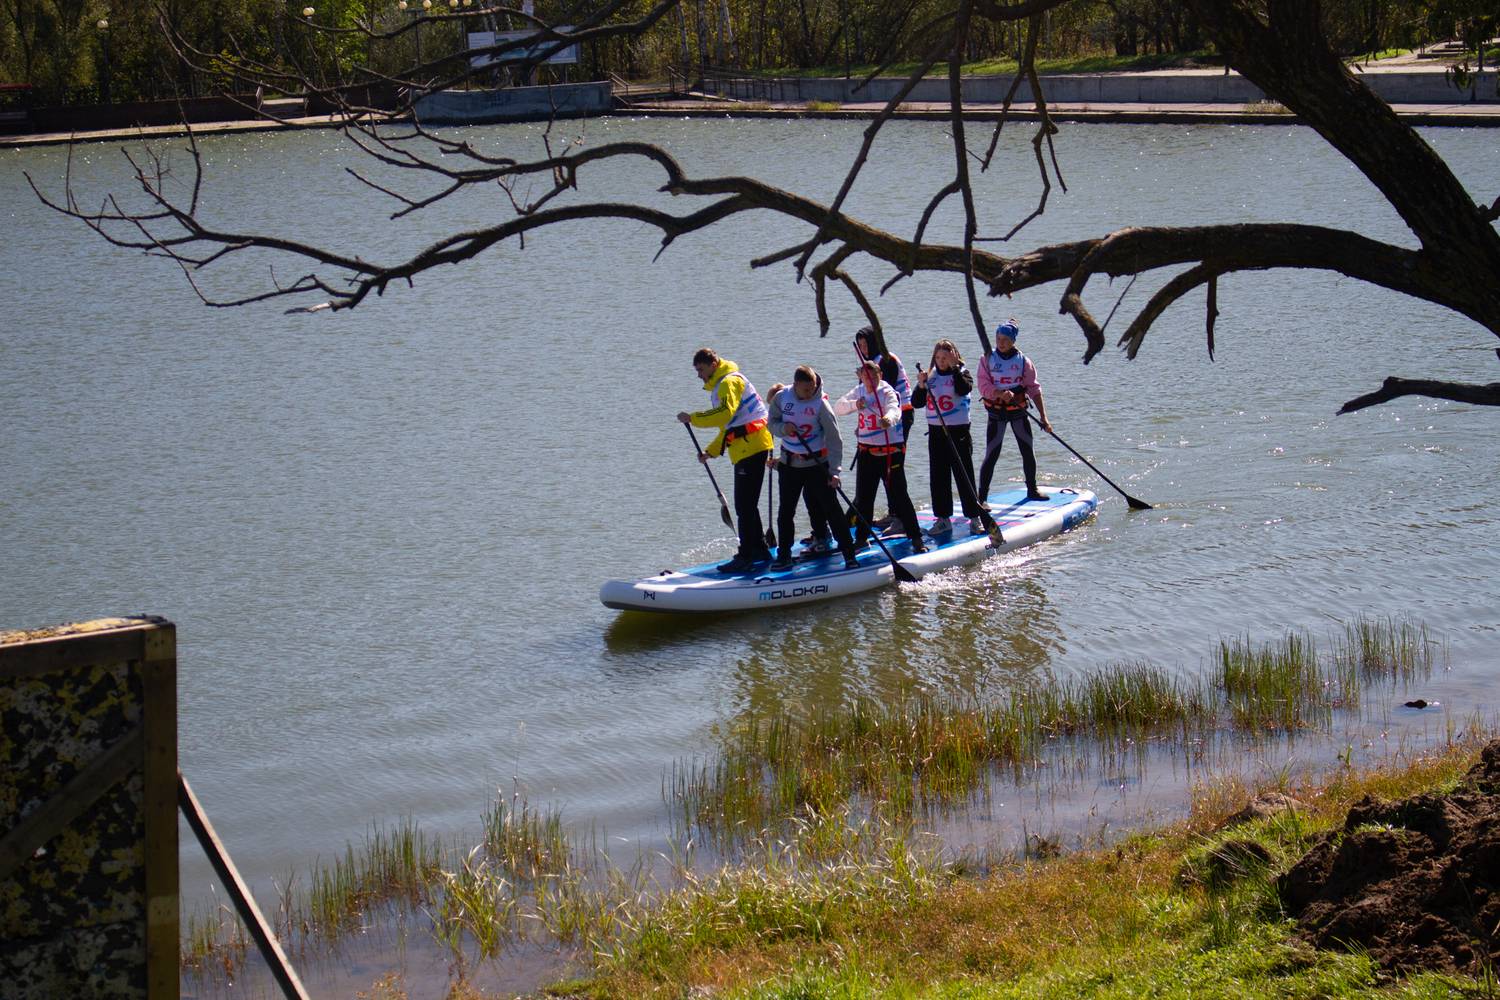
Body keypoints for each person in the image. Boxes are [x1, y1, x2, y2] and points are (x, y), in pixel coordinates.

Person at [677, 348, 774, 572]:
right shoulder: (724, 384)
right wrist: (710, 452)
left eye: (701, 370)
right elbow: (730, 426)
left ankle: (747, 555)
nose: (699, 375)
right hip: (748, 446)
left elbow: (724, 415)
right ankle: (759, 549)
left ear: (713, 364)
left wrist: (692, 418)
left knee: (743, 505)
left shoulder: (728, 382)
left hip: (751, 447)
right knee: (747, 505)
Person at [766, 367, 860, 571]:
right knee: (785, 512)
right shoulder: (782, 398)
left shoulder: (821, 405)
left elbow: (835, 440)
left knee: (832, 511)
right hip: (790, 466)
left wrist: (835, 471)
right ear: (796, 385)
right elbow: (770, 422)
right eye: (806, 390)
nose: (810, 393)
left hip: (817, 465)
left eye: (813, 389)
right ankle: (784, 556)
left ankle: (849, 555)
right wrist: (783, 429)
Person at [833, 360, 927, 554]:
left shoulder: (887, 391)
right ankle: (861, 538)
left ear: (880, 375)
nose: (869, 381)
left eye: (873, 376)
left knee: (899, 495)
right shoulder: (859, 391)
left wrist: (888, 419)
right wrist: (854, 405)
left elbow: (895, 409)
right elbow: (838, 408)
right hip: (867, 452)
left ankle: (916, 537)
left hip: (889, 453)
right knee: (865, 497)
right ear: (861, 377)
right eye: (866, 377)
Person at [910, 339, 985, 533]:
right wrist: (920, 385)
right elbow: (916, 403)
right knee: (939, 476)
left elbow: (963, 389)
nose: (942, 361)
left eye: (945, 358)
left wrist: (954, 368)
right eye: (938, 358)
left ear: (954, 356)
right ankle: (943, 518)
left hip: (958, 432)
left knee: (964, 474)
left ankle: (974, 517)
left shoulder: (962, 373)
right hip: (936, 433)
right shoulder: (930, 377)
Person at [977, 320, 1053, 503]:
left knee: (1027, 450)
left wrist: (1044, 418)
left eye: (1005, 339)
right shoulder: (987, 358)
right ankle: (982, 499)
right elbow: (982, 385)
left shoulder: (1024, 361)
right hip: (996, 413)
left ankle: (1032, 490)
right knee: (992, 453)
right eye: (998, 338)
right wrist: (998, 393)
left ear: (1013, 340)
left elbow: (1033, 389)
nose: (1000, 343)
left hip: (1018, 411)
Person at [853, 325, 915, 437]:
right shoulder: (870, 363)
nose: (864, 349)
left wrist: (864, 379)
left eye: (866, 345)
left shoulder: (887, 359)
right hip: (880, 411)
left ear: (873, 343)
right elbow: (866, 395)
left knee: (893, 450)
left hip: (901, 410)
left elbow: (884, 388)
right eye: (860, 345)